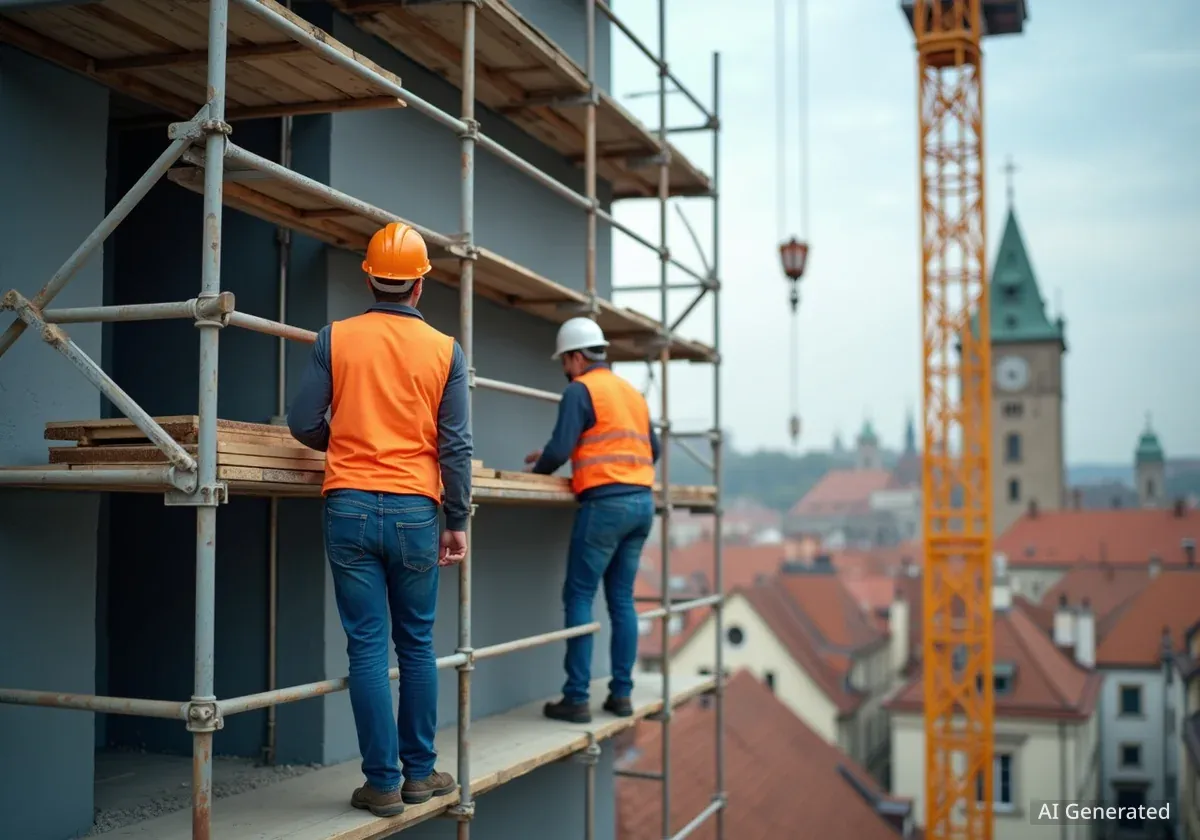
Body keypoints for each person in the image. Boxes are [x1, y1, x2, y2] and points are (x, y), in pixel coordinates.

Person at [288, 221, 472, 817]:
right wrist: (457, 518)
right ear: (421, 285)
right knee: (416, 644)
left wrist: (340, 441)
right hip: (418, 509)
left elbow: (302, 422)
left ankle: (383, 784)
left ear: (369, 276)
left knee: (366, 648)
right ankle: (420, 774)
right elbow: (456, 446)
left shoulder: (334, 338)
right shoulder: (447, 350)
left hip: (348, 505)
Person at [524, 317, 659, 724]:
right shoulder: (631, 394)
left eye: (565, 362)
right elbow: (652, 449)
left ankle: (577, 698)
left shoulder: (580, 390)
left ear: (577, 357)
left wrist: (539, 471)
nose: (564, 370)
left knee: (580, 596)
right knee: (621, 600)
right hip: (641, 503)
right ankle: (621, 695)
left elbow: (562, 447)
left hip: (605, 505)